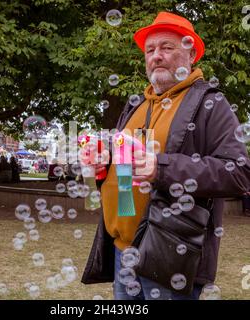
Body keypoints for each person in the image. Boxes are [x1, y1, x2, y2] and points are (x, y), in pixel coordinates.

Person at [81, 11, 250, 300]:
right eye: (150, 49)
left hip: (170, 255)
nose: (156, 56)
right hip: (124, 251)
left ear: (191, 54)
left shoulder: (211, 103)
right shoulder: (135, 106)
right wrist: (104, 161)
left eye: (167, 47)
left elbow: (239, 172)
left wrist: (161, 168)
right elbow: (127, 168)